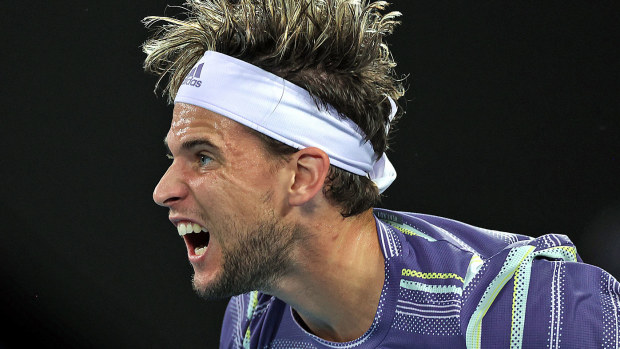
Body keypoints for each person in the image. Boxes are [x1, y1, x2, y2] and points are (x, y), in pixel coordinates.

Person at [143, 1, 620, 348]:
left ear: (305, 176)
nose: (164, 190)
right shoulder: (252, 320)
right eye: (175, 156)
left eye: (203, 156)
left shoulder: (535, 309)